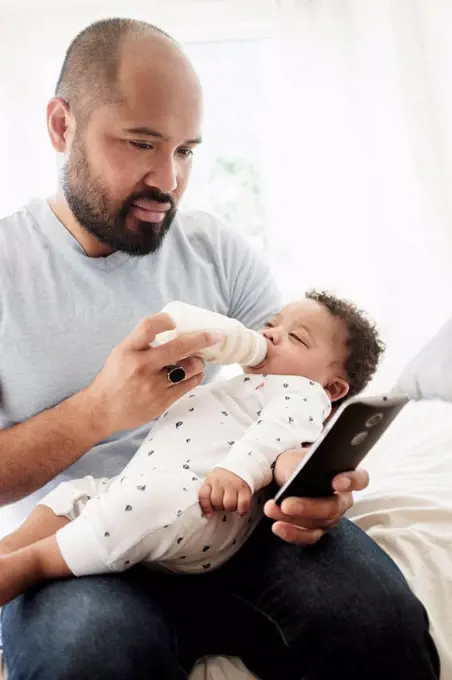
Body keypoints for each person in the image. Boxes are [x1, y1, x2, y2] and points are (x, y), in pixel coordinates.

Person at [0, 17, 439, 680]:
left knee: (377, 627)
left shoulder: (218, 252)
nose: (168, 180)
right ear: (62, 127)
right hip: (89, 532)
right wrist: (97, 411)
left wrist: (313, 484)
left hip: (236, 520)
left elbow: (295, 390)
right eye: (142, 144)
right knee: (89, 656)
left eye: (185, 151)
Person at [0, 291, 384, 599]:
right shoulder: (240, 387)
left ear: (332, 388)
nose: (269, 334)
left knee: (154, 501)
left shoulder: (304, 393)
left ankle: (33, 562)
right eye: (271, 324)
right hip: (143, 488)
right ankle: (11, 546)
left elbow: (278, 435)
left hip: (201, 505)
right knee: (79, 492)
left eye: (296, 338)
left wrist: (241, 471)